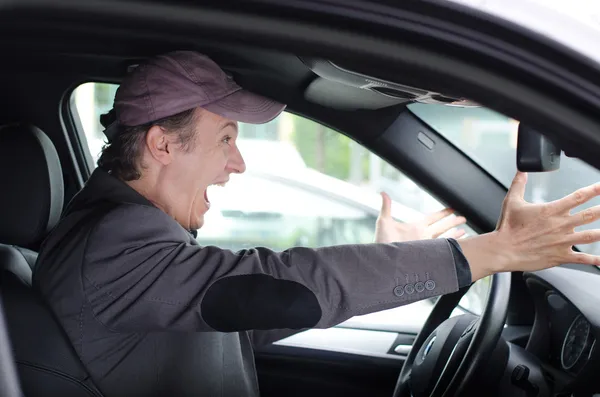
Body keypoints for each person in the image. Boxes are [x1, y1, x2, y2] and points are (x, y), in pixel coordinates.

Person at [33, 51, 600, 397]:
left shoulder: (125, 237)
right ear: (161, 144)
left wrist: (390, 262)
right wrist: (484, 254)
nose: (238, 162)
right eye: (226, 138)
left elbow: (241, 316)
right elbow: (272, 283)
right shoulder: (112, 244)